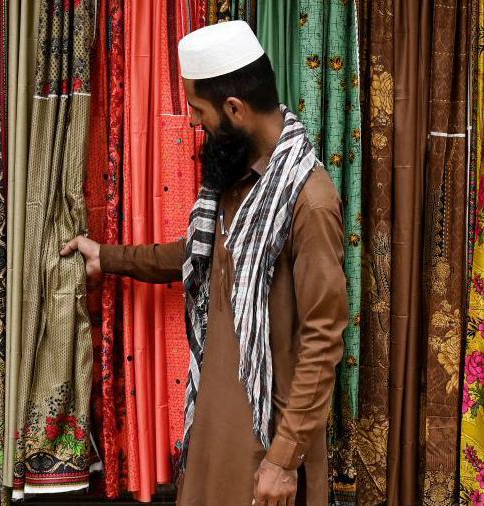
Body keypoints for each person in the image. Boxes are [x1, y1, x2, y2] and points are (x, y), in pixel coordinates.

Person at [61, 20, 346, 506]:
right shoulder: (235, 179)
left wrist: (282, 460)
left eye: (198, 110)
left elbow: (324, 336)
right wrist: (106, 257)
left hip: (266, 444)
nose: (193, 123)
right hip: (215, 425)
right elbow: (197, 254)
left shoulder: (308, 200)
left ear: (234, 109)